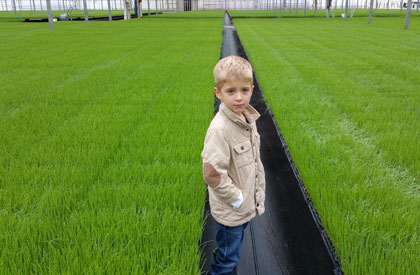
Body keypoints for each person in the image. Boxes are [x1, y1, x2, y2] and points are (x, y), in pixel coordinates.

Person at [201, 55, 266, 275]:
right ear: (218, 93)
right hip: (232, 209)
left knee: (230, 250)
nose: (239, 97)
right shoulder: (220, 129)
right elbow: (212, 174)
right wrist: (237, 198)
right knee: (229, 259)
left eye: (244, 90)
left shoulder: (246, 118)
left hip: (244, 204)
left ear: (252, 89)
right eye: (231, 91)